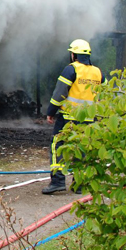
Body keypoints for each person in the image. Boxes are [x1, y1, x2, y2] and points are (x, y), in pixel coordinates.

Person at [43, 39, 105, 195]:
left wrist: (51, 111)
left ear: (73, 55)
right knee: (82, 149)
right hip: (90, 119)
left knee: (57, 146)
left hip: (68, 118)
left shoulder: (71, 70)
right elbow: (105, 95)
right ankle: (80, 184)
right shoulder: (98, 72)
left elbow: (59, 94)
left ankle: (57, 182)